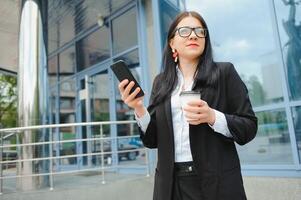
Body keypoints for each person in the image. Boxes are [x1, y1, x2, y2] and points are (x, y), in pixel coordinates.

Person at [118, 11, 257, 200]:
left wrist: (212, 117)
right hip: (170, 185)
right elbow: (151, 141)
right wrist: (138, 108)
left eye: (200, 31)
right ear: (172, 42)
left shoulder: (225, 72)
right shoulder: (161, 82)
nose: (193, 35)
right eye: (184, 31)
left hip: (216, 183)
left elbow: (249, 127)